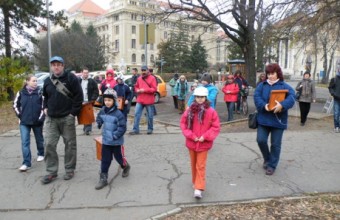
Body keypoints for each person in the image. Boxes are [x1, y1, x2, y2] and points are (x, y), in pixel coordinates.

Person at [41, 56, 83, 184]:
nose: (56, 67)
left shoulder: (71, 78)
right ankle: (51, 172)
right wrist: (45, 107)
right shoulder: (48, 81)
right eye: (54, 65)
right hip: (51, 119)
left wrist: (72, 114)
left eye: (59, 64)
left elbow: (78, 97)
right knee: (48, 145)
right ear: (51, 67)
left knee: (70, 145)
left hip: (67, 118)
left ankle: (69, 169)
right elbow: (45, 97)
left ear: (63, 65)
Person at [254, 63, 295, 176]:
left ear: (278, 74)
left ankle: (272, 165)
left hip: (278, 120)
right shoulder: (262, 86)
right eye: (269, 74)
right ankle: (267, 159)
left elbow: (292, 97)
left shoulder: (284, 86)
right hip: (263, 119)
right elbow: (257, 97)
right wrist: (265, 106)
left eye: (273, 73)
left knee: (275, 144)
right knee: (260, 140)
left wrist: (282, 105)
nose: (271, 76)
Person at [180, 87, 220, 199]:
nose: (200, 99)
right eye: (198, 97)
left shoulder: (211, 111)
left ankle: (199, 187)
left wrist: (205, 137)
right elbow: (183, 124)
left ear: (205, 97)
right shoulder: (189, 110)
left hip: (203, 143)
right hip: (192, 142)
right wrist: (191, 136)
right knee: (193, 164)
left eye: (202, 97)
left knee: (200, 165)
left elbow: (215, 127)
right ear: (195, 97)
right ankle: (195, 181)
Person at [95, 88, 130, 190]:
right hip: (106, 141)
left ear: (114, 101)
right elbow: (99, 117)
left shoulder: (118, 114)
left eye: (109, 100)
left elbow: (122, 127)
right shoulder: (103, 110)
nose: (107, 102)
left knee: (119, 158)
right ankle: (103, 178)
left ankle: (125, 166)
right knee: (105, 160)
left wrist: (115, 136)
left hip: (116, 142)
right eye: (105, 100)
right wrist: (99, 123)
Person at [13, 74, 45, 171]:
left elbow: (44, 107)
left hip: (37, 121)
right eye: (33, 81)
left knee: (39, 140)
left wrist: (41, 119)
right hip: (24, 122)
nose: (35, 82)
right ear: (27, 82)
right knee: (25, 142)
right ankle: (26, 163)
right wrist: (20, 115)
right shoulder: (21, 93)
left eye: (36, 81)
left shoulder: (40, 93)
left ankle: (41, 153)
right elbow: (15, 105)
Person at [129, 65, 157, 135]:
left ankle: (150, 129)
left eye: (144, 70)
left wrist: (144, 90)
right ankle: (135, 130)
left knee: (150, 116)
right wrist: (137, 90)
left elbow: (154, 89)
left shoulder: (152, 78)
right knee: (136, 114)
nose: (143, 72)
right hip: (140, 99)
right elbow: (136, 86)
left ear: (147, 70)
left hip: (149, 100)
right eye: (142, 70)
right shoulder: (139, 78)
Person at [79, 67, 99, 135]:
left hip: (89, 101)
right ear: (82, 73)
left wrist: (93, 99)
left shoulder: (92, 81)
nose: (85, 74)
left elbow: (96, 91)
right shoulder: (79, 80)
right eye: (84, 73)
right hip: (81, 100)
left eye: (87, 73)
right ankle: (85, 127)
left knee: (89, 115)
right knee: (83, 115)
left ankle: (88, 129)